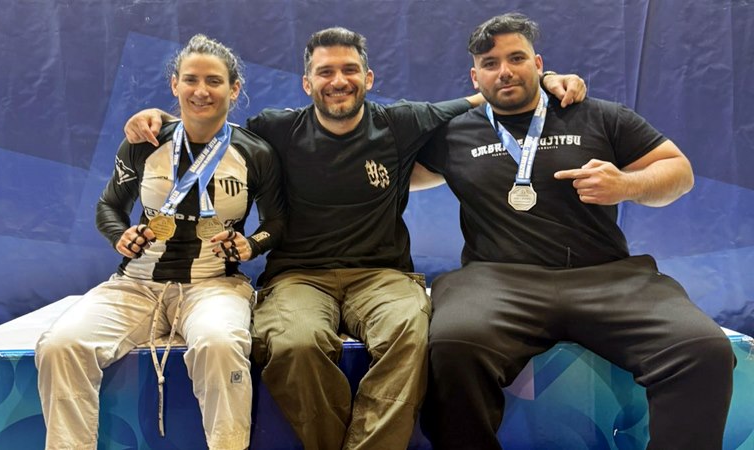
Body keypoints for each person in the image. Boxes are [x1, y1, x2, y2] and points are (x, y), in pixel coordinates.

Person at [124, 27, 585, 450]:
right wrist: (161, 119)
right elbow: (209, 129)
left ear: (368, 78)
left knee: (410, 336)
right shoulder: (275, 129)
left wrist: (545, 81)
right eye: (325, 72)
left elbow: (481, 96)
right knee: (294, 345)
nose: (338, 81)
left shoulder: (401, 121)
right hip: (297, 278)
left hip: (383, 276)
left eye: (349, 70)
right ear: (307, 84)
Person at [415, 13, 736, 450]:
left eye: (516, 58)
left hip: (608, 277)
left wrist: (627, 185)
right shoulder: (452, 132)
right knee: (452, 348)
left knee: (702, 349)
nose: (504, 71)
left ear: (538, 63)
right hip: (495, 281)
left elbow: (679, 171)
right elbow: (389, 168)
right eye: (490, 63)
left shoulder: (597, 115)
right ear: (475, 77)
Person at [35, 34, 285, 450]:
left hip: (215, 286)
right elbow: (109, 206)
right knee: (61, 345)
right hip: (136, 284)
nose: (201, 90)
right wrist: (119, 235)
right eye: (191, 79)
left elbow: (276, 221)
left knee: (221, 345)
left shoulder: (255, 152)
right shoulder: (144, 142)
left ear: (234, 89)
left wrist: (252, 245)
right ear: (174, 84)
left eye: (214, 81)